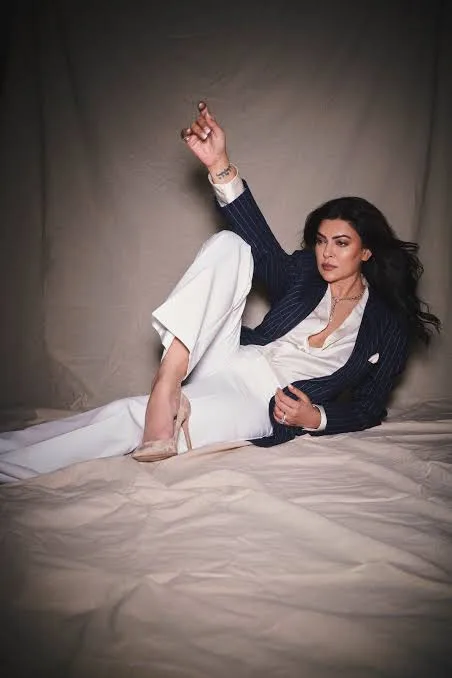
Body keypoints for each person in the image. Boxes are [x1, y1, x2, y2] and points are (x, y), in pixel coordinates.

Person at [0, 102, 440, 482]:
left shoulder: (387, 326)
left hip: (260, 400)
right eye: (321, 241)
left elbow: (368, 407)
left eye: (341, 243)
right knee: (232, 244)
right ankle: (167, 380)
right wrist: (219, 165)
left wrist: (315, 417)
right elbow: (260, 244)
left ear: (366, 251)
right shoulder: (305, 273)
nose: (326, 253)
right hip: (228, 356)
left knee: (131, 417)